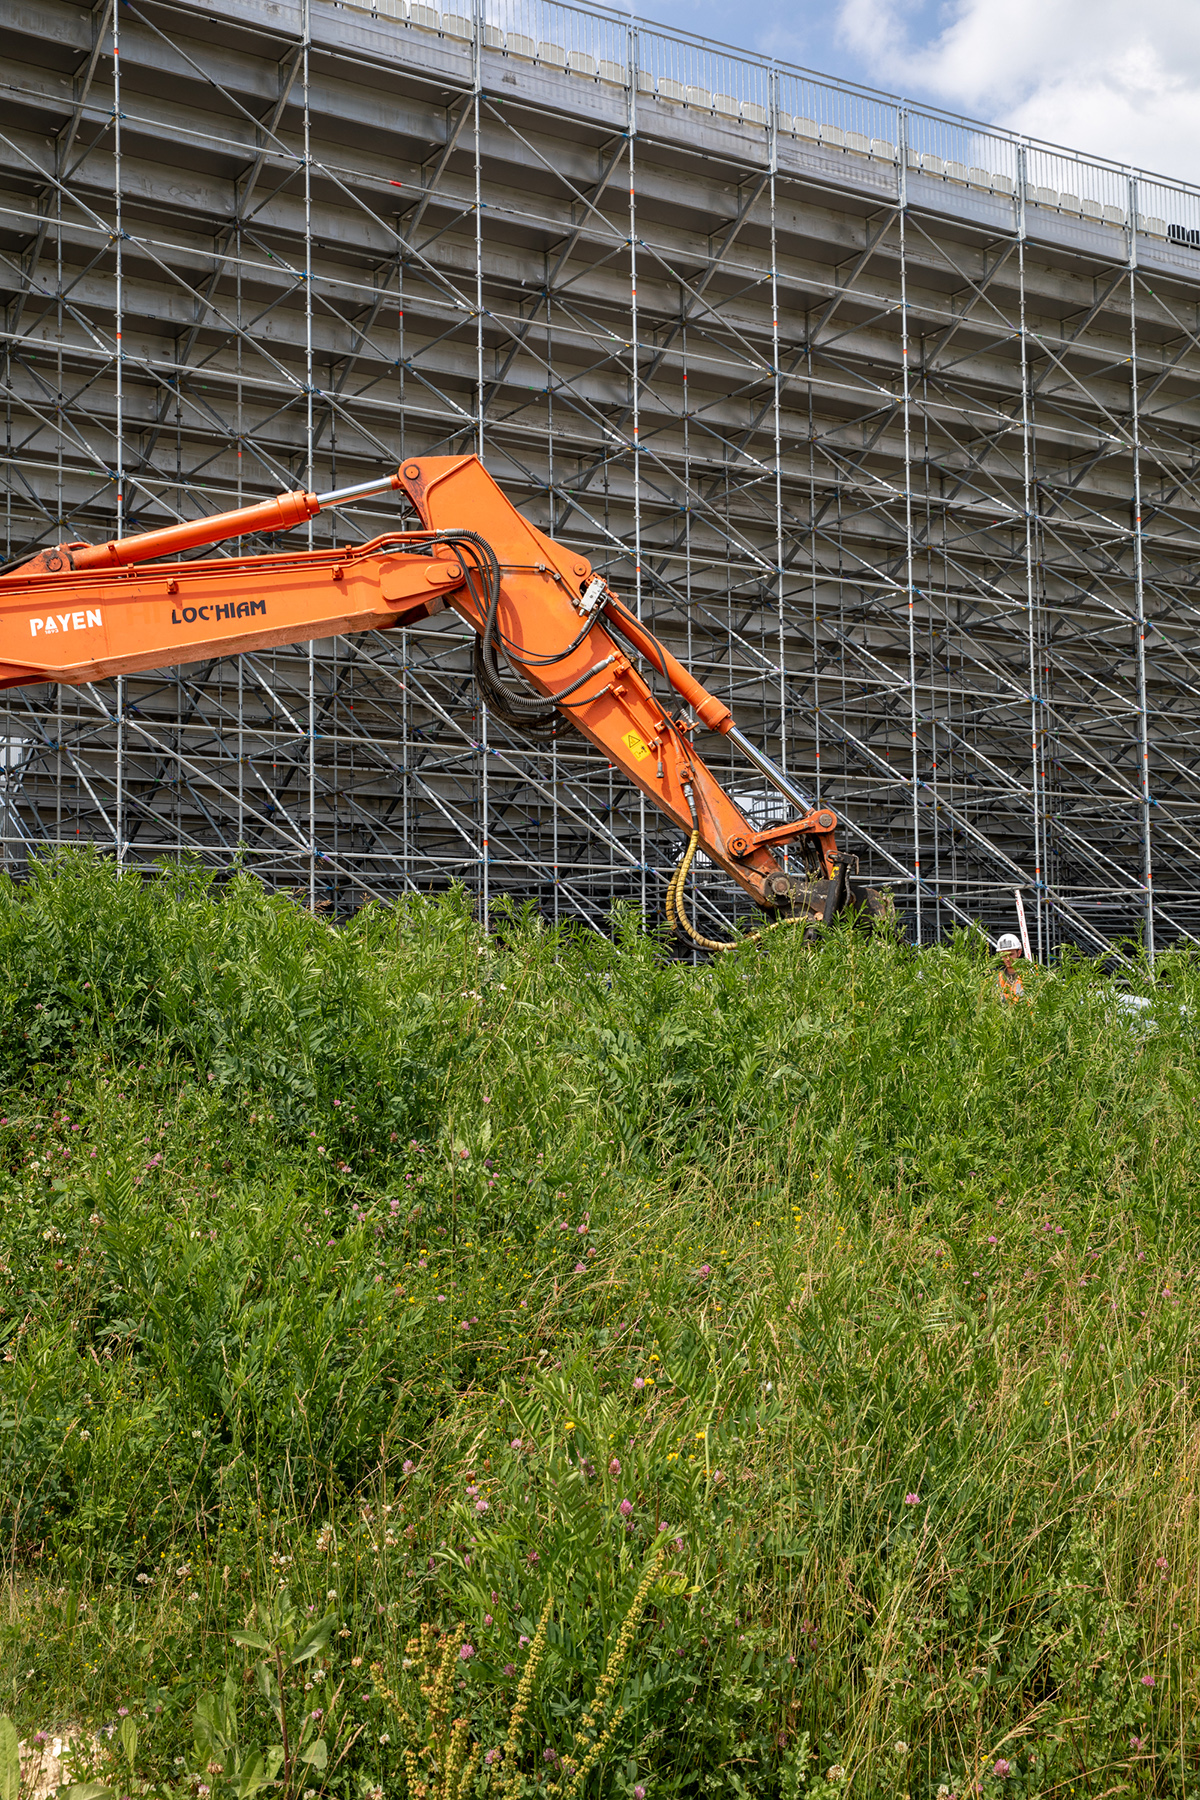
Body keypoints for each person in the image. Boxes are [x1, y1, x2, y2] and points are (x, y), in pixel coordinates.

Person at [995, 932, 1026, 1002]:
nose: (1008, 958)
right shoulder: (996, 978)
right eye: (1004, 955)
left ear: (1019, 953)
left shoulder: (1030, 974)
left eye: (1011, 954)